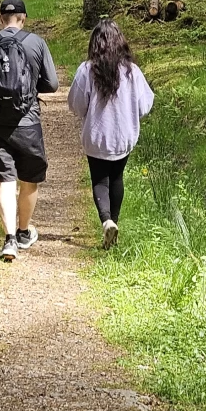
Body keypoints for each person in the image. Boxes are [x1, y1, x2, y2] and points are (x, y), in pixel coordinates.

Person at [0, 0, 59, 261]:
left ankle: (8, 241)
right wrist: (26, 90)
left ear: (0, 19)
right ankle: (23, 232)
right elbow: (52, 84)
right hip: (28, 122)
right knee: (29, 180)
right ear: (24, 18)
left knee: (5, 181)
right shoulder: (36, 43)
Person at [67, 19, 153, 247]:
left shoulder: (87, 70)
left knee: (100, 179)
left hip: (97, 137)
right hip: (123, 136)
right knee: (116, 178)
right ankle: (113, 222)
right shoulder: (131, 71)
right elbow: (144, 105)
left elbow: (76, 104)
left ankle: (106, 222)